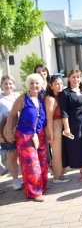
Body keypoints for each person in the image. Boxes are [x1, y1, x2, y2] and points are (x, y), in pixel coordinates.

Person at [5, 74, 48, 202]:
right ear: (27, 85)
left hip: (39, 135)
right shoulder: (22, 98)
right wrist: (8, 131)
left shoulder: (41, 98)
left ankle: (42, 186)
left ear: (41, 85)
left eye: (37, 83)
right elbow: (12, 115)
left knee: (42, 162)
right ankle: (33, 192)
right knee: (31, 164)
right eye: (31, 83)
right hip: (24, 135)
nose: (34, 86)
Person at [44, 75, 71, 183]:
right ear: (51, 86)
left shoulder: (60, 96)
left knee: (61, 150)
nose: (59, 85)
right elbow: (49, 118)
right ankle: (57, 176)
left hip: (61, 124)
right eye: (56, 84)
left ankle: (61, 172)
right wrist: (50, 133)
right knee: (56, 152)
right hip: (54, 125)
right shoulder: (50, 99)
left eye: (61, 83)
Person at [0, 75, 22, 191]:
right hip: (6, 132)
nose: (8, 86)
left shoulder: (18, 96)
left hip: (21, 131)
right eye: (5, 84)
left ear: (13, 85)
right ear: (1, 85)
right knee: (12, 156)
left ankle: (25, 177)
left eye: (10, 83)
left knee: (23, 156)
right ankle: (15, 180)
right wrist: (0, 136)